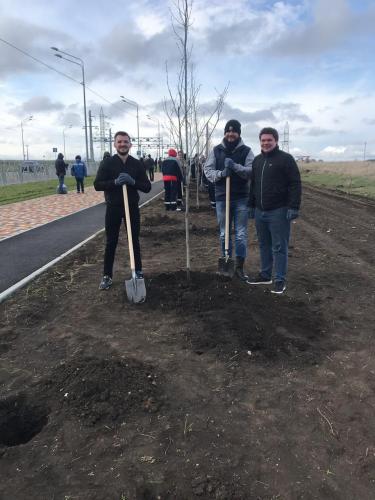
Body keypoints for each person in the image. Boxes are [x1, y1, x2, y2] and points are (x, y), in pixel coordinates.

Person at [94, 131, 151, 291]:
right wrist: (114, 182)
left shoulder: (136, 164)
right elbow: (97, 184)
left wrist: (133, 182)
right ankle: (107, 275)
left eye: (125, 142)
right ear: (115, 144)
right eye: (119, 142)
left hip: (131, 207)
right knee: (111, 241)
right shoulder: (107, 163)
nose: (122, 144)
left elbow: (147, 187)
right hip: (113, 207)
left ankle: (138, 271)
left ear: (130, 144)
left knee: (134, 240)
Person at [247, 127, 301, 294]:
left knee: (279, 246)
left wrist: (293, 206)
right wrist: (251, 204)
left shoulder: (286, 159)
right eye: (263, 140)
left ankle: (279, 280)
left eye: (269, 140)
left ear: (276, 141)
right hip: (260, 211)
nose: (266, 143)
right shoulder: (257, 161)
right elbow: (253, 185)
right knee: (264, 244)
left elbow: (295, 183)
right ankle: (265, 275)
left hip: (279, 210)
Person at [204, 119, 254, 280]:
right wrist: (221, 174)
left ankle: (239, 267)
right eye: (228, 131)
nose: (230, 134)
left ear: (239, 133)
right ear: (225, 133)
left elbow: (251, 171)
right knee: (224, 233)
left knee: (240, 234)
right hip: (222, 197)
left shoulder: (247, 151)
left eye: (234, 131)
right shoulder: (216, 150)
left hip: (240, 198)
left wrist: (235, 167)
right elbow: (208, 170)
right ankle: (227, 260)